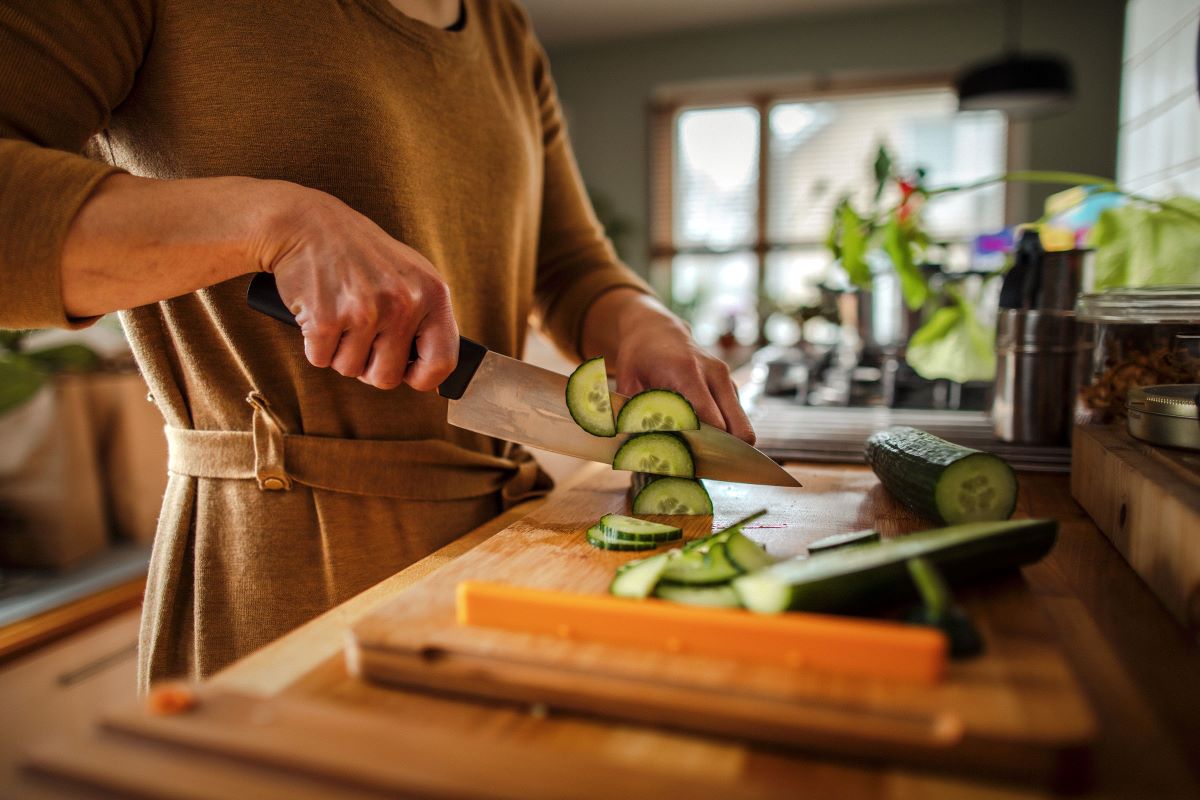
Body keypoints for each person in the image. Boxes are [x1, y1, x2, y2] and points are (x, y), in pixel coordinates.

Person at [0, 0, 755, 689]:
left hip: (501, 554)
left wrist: (645, 322)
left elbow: (570, 263)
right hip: (282, 582)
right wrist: (275, 223)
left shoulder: (501, 29)